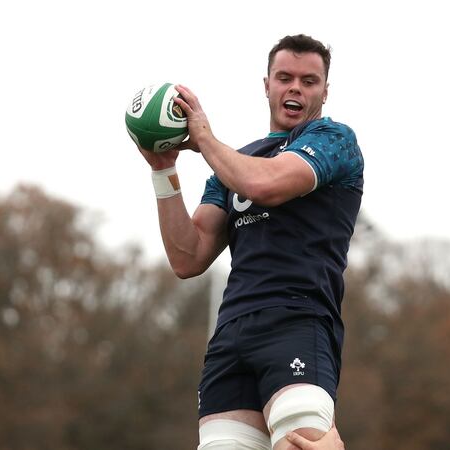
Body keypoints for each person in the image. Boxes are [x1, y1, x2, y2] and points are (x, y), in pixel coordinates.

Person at [137, 34, 362, 450]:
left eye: (309, 81)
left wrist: (204, 139)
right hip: (231, 335)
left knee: (306, 445)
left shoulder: (335, 140)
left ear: (325, 92)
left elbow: (265, 183)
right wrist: (163, 170)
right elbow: (188, 257)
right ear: (267, 85)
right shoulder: (232, 164)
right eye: (285, 77)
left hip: (296, 321)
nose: (295, 87)